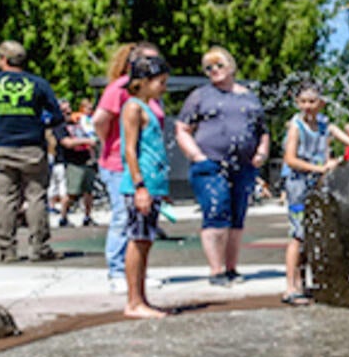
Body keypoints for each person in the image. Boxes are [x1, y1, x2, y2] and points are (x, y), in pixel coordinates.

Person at [175, 47, 270, 286]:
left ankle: (231, 268)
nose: (214, 70)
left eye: (219, 65)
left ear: (231, 67)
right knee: (216, 211)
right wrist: (196, 155)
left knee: (237, 216)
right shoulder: (200, 96)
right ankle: (216, 270)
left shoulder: (250, 97)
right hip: (210, 164)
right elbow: (182, 128)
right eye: (209, 67)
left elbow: (263, 131)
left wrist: (262, 151)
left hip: (244, 166)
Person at [281, 84, 349, 304]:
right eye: (303, 101)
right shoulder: (296, 127)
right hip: (299, 186)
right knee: (298, 235)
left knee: (313, 233)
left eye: (312, 101)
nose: (308, 106)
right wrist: (320, 168)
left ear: (321, 103)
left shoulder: (324, 124)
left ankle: (303, 282)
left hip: (318, 184)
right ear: (298, 103)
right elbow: (290, 159)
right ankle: (291, 286)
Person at [0, 40, 64, 263]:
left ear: (4, 60)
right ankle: (39, 248)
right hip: (32, 147)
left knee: (6, 199)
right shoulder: (38, 83)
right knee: (36, 197)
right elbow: (58, 115)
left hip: (3, 146)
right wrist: (40, 124)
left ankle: (7, 250)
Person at [93, 42, 164, 293]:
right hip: (119, 164)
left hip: (147, 168)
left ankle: (136, 275)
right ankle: (117, 271)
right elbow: (100, 120)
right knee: (124, 218)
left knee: (141, 227)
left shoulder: (150, 96)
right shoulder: (121, 90)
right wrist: (110, 143)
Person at [118, 54, 172, 319]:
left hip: (153, 186)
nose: (164, 87)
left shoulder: (148, 107)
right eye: (160, 82)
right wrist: (140, 186)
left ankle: (140, 298)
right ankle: (133, 302)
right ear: (143, 82)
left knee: (145, 241)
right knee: (137, 241)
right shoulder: (133, 108)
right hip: (140, 186)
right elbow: (130, 149)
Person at [53, 101, 98, 227]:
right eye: (64, 110)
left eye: (69, 109)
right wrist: (87, 141)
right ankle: (63, 217)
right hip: (71, 162)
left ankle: (88, 217)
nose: (68, 112)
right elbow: (67, 143)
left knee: (88, 191)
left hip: (86, 159)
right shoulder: (60, 127)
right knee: (71, 192)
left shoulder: (79, 124)